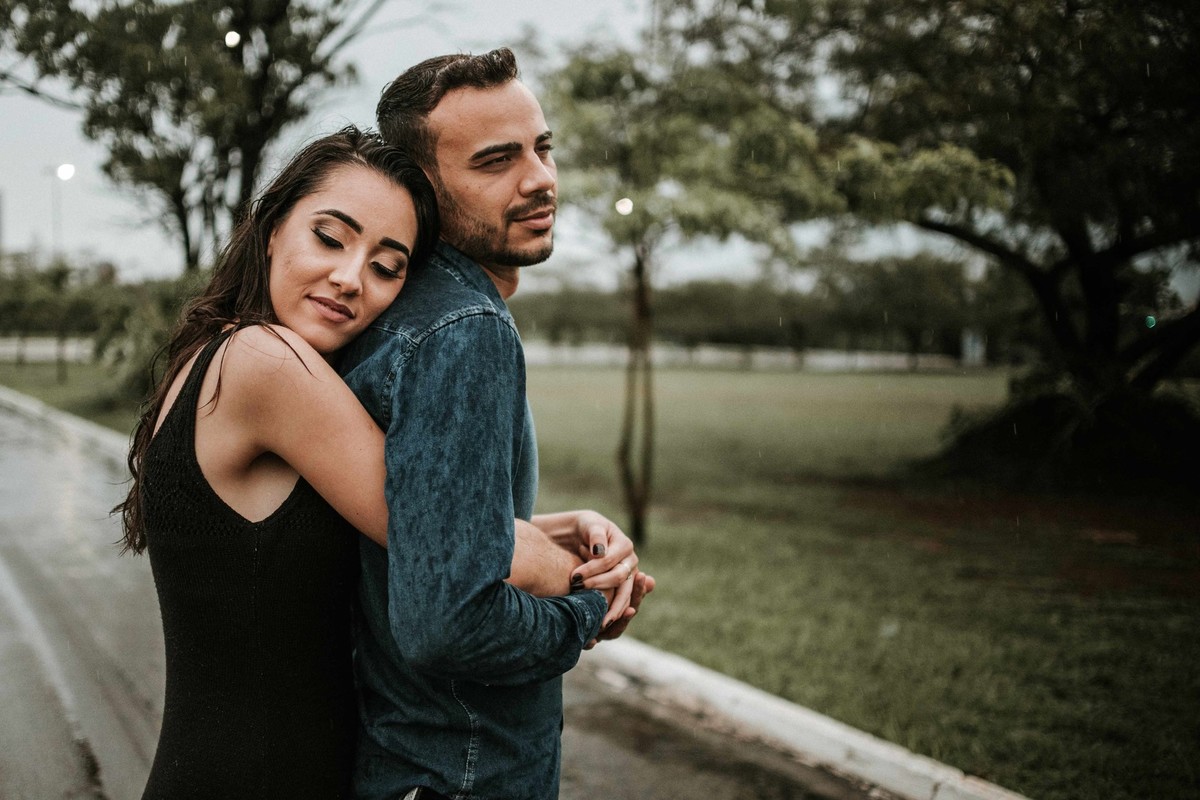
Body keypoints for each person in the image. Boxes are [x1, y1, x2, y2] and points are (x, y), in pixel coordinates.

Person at [117, 126, 637, 799]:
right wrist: (599, 583)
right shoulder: (265, 364)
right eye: (330, 238)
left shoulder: (224, 351)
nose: (349, 278)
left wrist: (565, 528)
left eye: (387, 266)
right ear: (272, 228)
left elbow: (429, 524)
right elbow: (448, 544)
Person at [338, 48, 654, 800]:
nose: (540, 178)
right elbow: (449, 621)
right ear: (421, 192)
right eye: (495, 161)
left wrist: (545, 534)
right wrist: (588, 609)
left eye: (542, 148)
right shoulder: (463, 329)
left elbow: (418, 532)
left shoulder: (404, 314)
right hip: (461, 774)